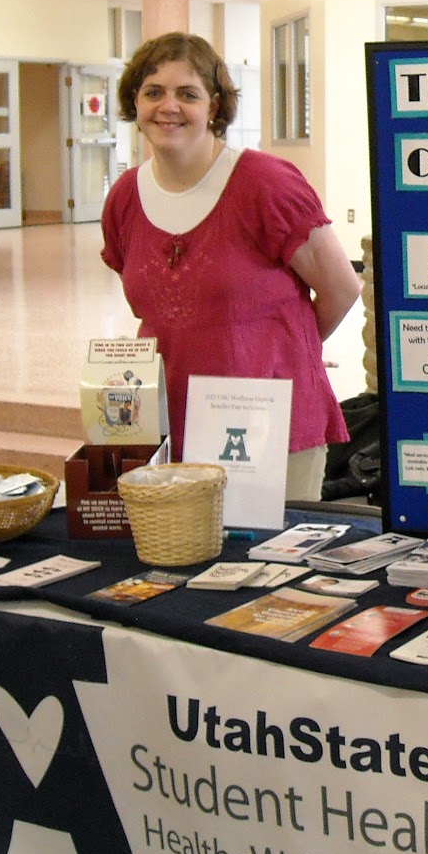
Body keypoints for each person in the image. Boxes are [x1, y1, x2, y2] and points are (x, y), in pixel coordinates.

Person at [101, 32, 362, 506]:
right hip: (173, 431)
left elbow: (342, 288)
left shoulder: (265, 183)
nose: (169, 107)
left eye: (188, 94)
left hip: (271, 428)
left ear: (215, 105)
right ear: (133, 102)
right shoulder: (124, 198)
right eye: (153, 92)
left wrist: (281, 352)